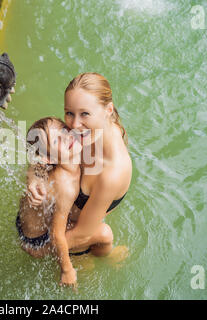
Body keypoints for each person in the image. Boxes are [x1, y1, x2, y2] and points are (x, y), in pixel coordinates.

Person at [27, 73, 132, 259]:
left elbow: (81, 234)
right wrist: (36, 175)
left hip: (65, 233)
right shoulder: (88, 130)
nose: (74, 125)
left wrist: (37, 250)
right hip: (44, 218)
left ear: (108, 110)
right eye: (69, 113)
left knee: (105, 235)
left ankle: (95, 258)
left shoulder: (112, 173)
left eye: (85, 114)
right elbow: (42, 149)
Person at [17, 116, 114, 287]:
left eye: (63, 130)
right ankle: (91, 258)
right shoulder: (65, 186)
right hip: (38, 239)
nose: (67, 137)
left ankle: (83, 254)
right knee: (104, 234)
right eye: (57, 140)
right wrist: (67, 270)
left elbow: (37, 162)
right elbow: (56, 234)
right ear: (49, 158)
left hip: (32, 219)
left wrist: (32, 179)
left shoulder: (66, 158)